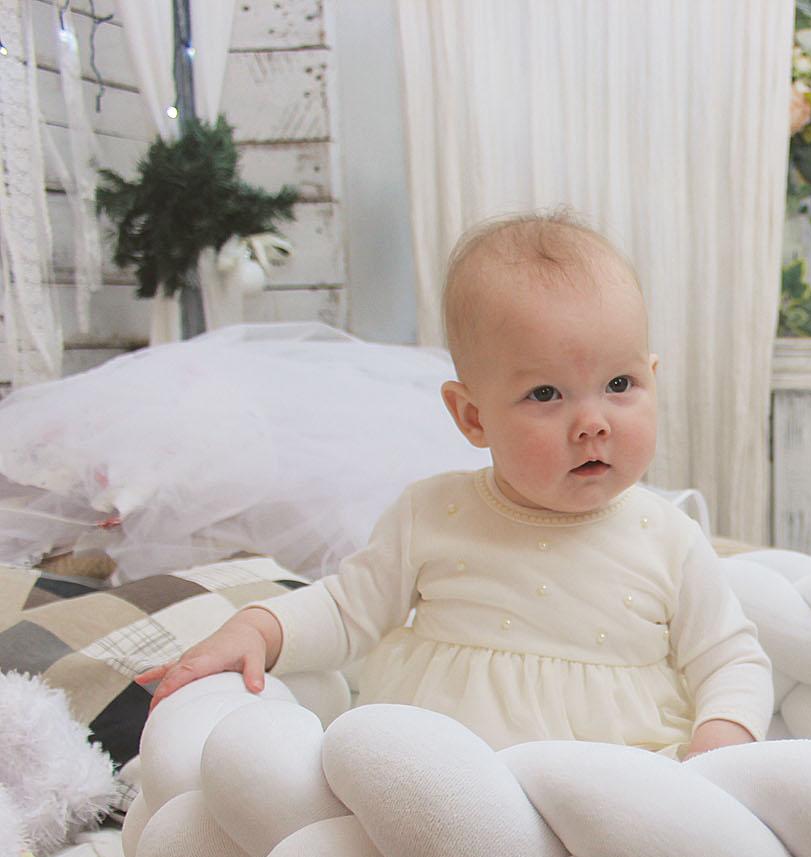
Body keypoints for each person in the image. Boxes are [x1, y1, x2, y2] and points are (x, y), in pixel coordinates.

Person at [136, 211, 772, 758]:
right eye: (545, 394)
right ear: (472, 416)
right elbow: (346, 610)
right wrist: (257, 630)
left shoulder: (669, 538)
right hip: (440, 773)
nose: (592, 423)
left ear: (652, 378)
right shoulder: (432, 513)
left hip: (617, 776)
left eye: (619, 385)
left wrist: (720, 739)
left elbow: (730, 659)